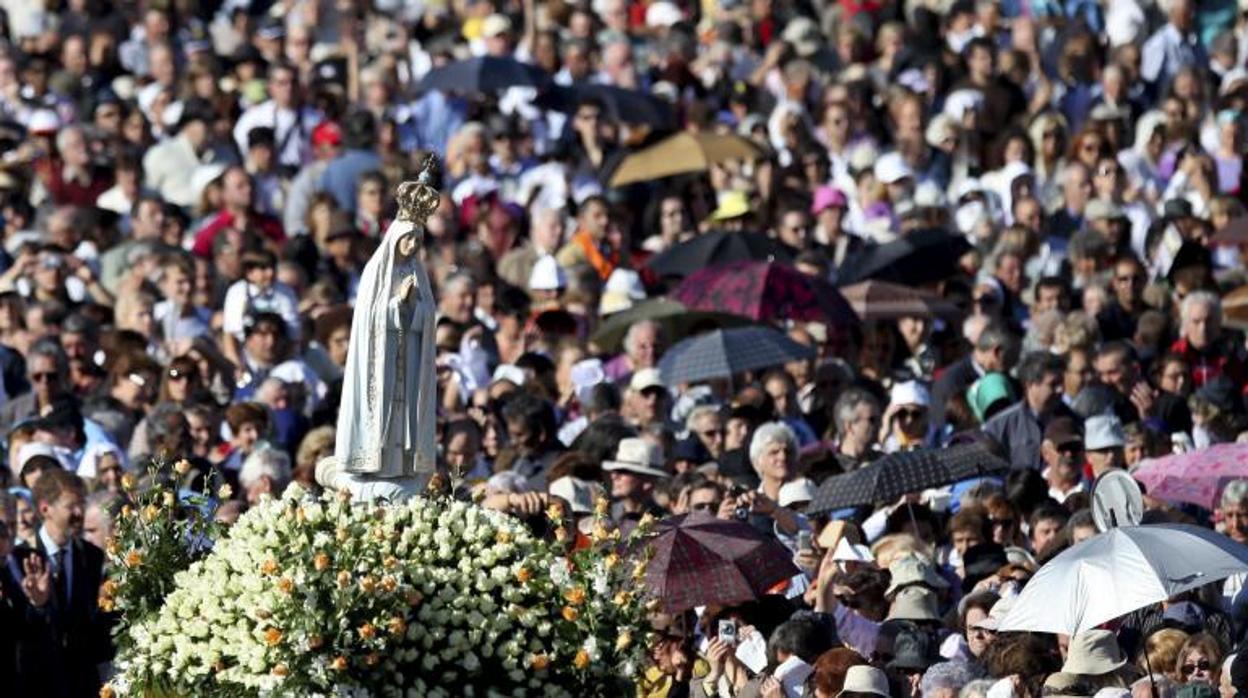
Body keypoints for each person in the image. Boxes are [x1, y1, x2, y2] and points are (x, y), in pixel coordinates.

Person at [983, 352, 1065, 470]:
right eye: (1053, 384)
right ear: (1030, 384)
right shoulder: (1000, 426)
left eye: (1061, 383)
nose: (1060, 390)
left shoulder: (1073, 420)